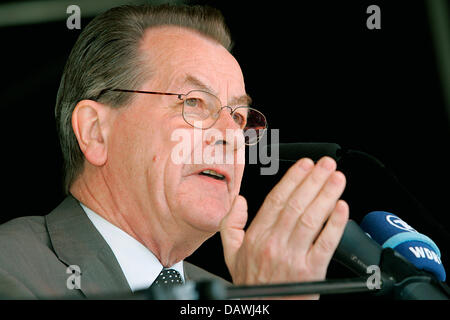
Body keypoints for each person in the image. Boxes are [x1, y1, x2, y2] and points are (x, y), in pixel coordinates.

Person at [0, 4, 348, 299]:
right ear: (95, 132)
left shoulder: (226, 294)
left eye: (239, 117)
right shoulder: (12, 269)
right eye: (195, 102)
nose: (231, 135)